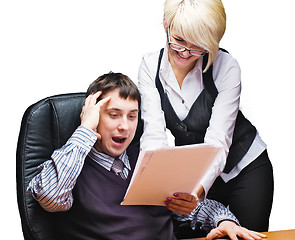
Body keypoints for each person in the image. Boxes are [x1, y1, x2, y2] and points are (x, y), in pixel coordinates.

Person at [27, 72, 266, 240]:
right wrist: (85, 130)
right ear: (93, 116)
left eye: (132, 116)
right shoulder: (70, 164)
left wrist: (223, 221)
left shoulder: (148, 160)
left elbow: (189, 206)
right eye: (113, 114)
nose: (125, 126)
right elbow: (51, 197)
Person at [138, 0, 274, 233]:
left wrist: (197, 191)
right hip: (199, 172)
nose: (185, 53)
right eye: (179, 40)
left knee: (247, 235)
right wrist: (158, 186)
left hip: (246, 167)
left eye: (198, 45)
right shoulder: (150, 67)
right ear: (165, 25)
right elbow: (153, 135)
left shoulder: (226, 66)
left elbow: (218, 140)